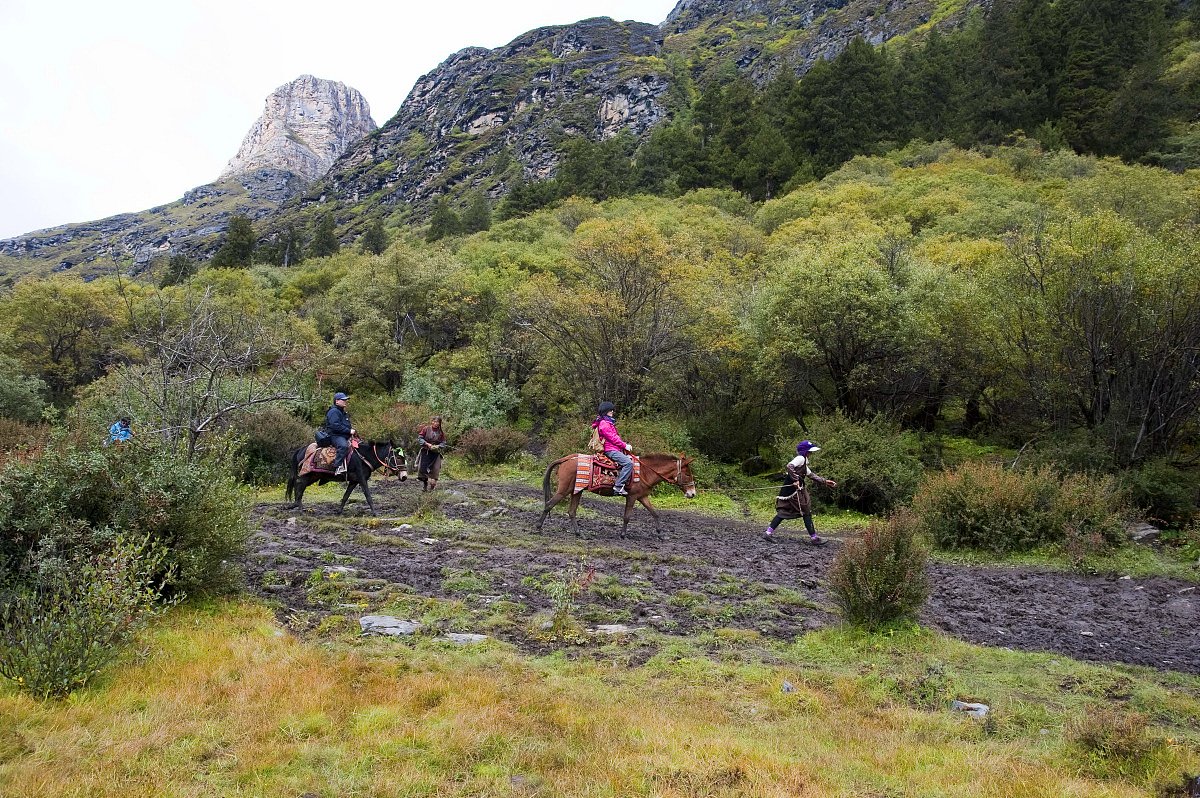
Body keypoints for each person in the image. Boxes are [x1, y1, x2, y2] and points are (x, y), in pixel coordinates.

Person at [764, 440, 837, 545]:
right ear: (805, 452)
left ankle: (768, 533)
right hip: (792, 491)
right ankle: (814, 538)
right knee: (806, 511)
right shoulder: (800, 458)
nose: (811, 454)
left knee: (785, 511)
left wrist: (825, 481)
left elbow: (811, 475)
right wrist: (795, 480)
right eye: (809, 451)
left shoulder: (804, 462)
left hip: (794, 491)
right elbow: (789, 466)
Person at [592, 401, 633, 496]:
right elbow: (612, 438)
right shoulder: (604, 424)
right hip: (610, 450)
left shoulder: (607, 422)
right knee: (628, 463)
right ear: (606, 411)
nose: (612, 412)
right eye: (611, 410)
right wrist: (624, 445)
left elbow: (615, 437)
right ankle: (618, 486)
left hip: (614, 448)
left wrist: (623, 445)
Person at [325, 392, 355, 475]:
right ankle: (337, 467)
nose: (345, 401)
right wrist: (349, 431)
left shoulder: (342, 412)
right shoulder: (333, 411)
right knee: (343, 446)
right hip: (335, 436)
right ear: (337, 401)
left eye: (345, 400)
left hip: (343, 435)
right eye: (343, 400)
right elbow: (335, 426)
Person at [416, 415, 447, 491]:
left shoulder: (441, 433)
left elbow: (443, 442)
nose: (436, 423)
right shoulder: (426, 429)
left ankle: (432, 488)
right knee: (423, 470)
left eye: (438, 422)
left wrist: (438, 446)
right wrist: (427, 444)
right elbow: (420, 438)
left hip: (435, 454)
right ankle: (425, 485)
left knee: (436, 469)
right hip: (426, 452)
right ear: (432, 422)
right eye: (435, 421)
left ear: (440, 423)